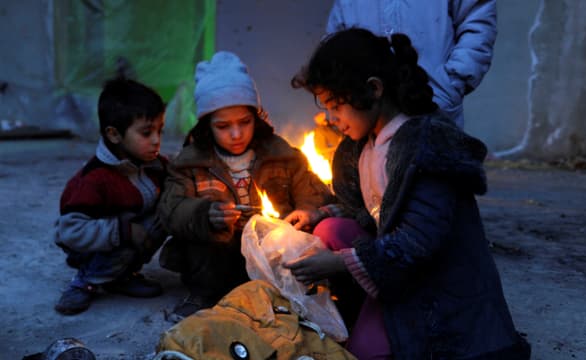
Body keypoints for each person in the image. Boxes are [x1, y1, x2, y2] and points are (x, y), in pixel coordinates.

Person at [285, 28, 530, 359]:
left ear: (373, 89)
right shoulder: (365, 146)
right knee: (329, 229)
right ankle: (364, 310)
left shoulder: (425, 149)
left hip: (438, 290)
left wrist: (339, 263)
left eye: (335, 106)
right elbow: (370, 212)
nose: (330, 119)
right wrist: (320, 215)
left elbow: (417, 243)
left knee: (368, 353)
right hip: (393, 268)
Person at [158, 51, 334, 322]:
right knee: (206, 245)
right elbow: (171, 211)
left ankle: (276, 300)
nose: (237, 134)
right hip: (218, 254)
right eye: (224, 126)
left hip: (268, 250)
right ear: (207, 126)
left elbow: (310, 192)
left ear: (257, 117)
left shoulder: (280, 154)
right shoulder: (190, 162)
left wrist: (308, 211)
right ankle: (205, 297)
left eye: (245, 122)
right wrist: (204, 214)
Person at [53, 77, 168, 315]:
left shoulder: (154, 165)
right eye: (146, 133)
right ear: (114, 135)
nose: (157, 140)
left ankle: (122, 276)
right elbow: (69, 232)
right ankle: (86, 281)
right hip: (88, 247)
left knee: (165, 213)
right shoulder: (94, 180)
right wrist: (122, 231)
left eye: (160, 130)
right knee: (130, 235)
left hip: (125, 236)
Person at [325, 0, 497, 129]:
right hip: (370, 120)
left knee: (435, 174)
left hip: (434, 110)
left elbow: (477, 20)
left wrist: (452, 84)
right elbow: (336, 44)